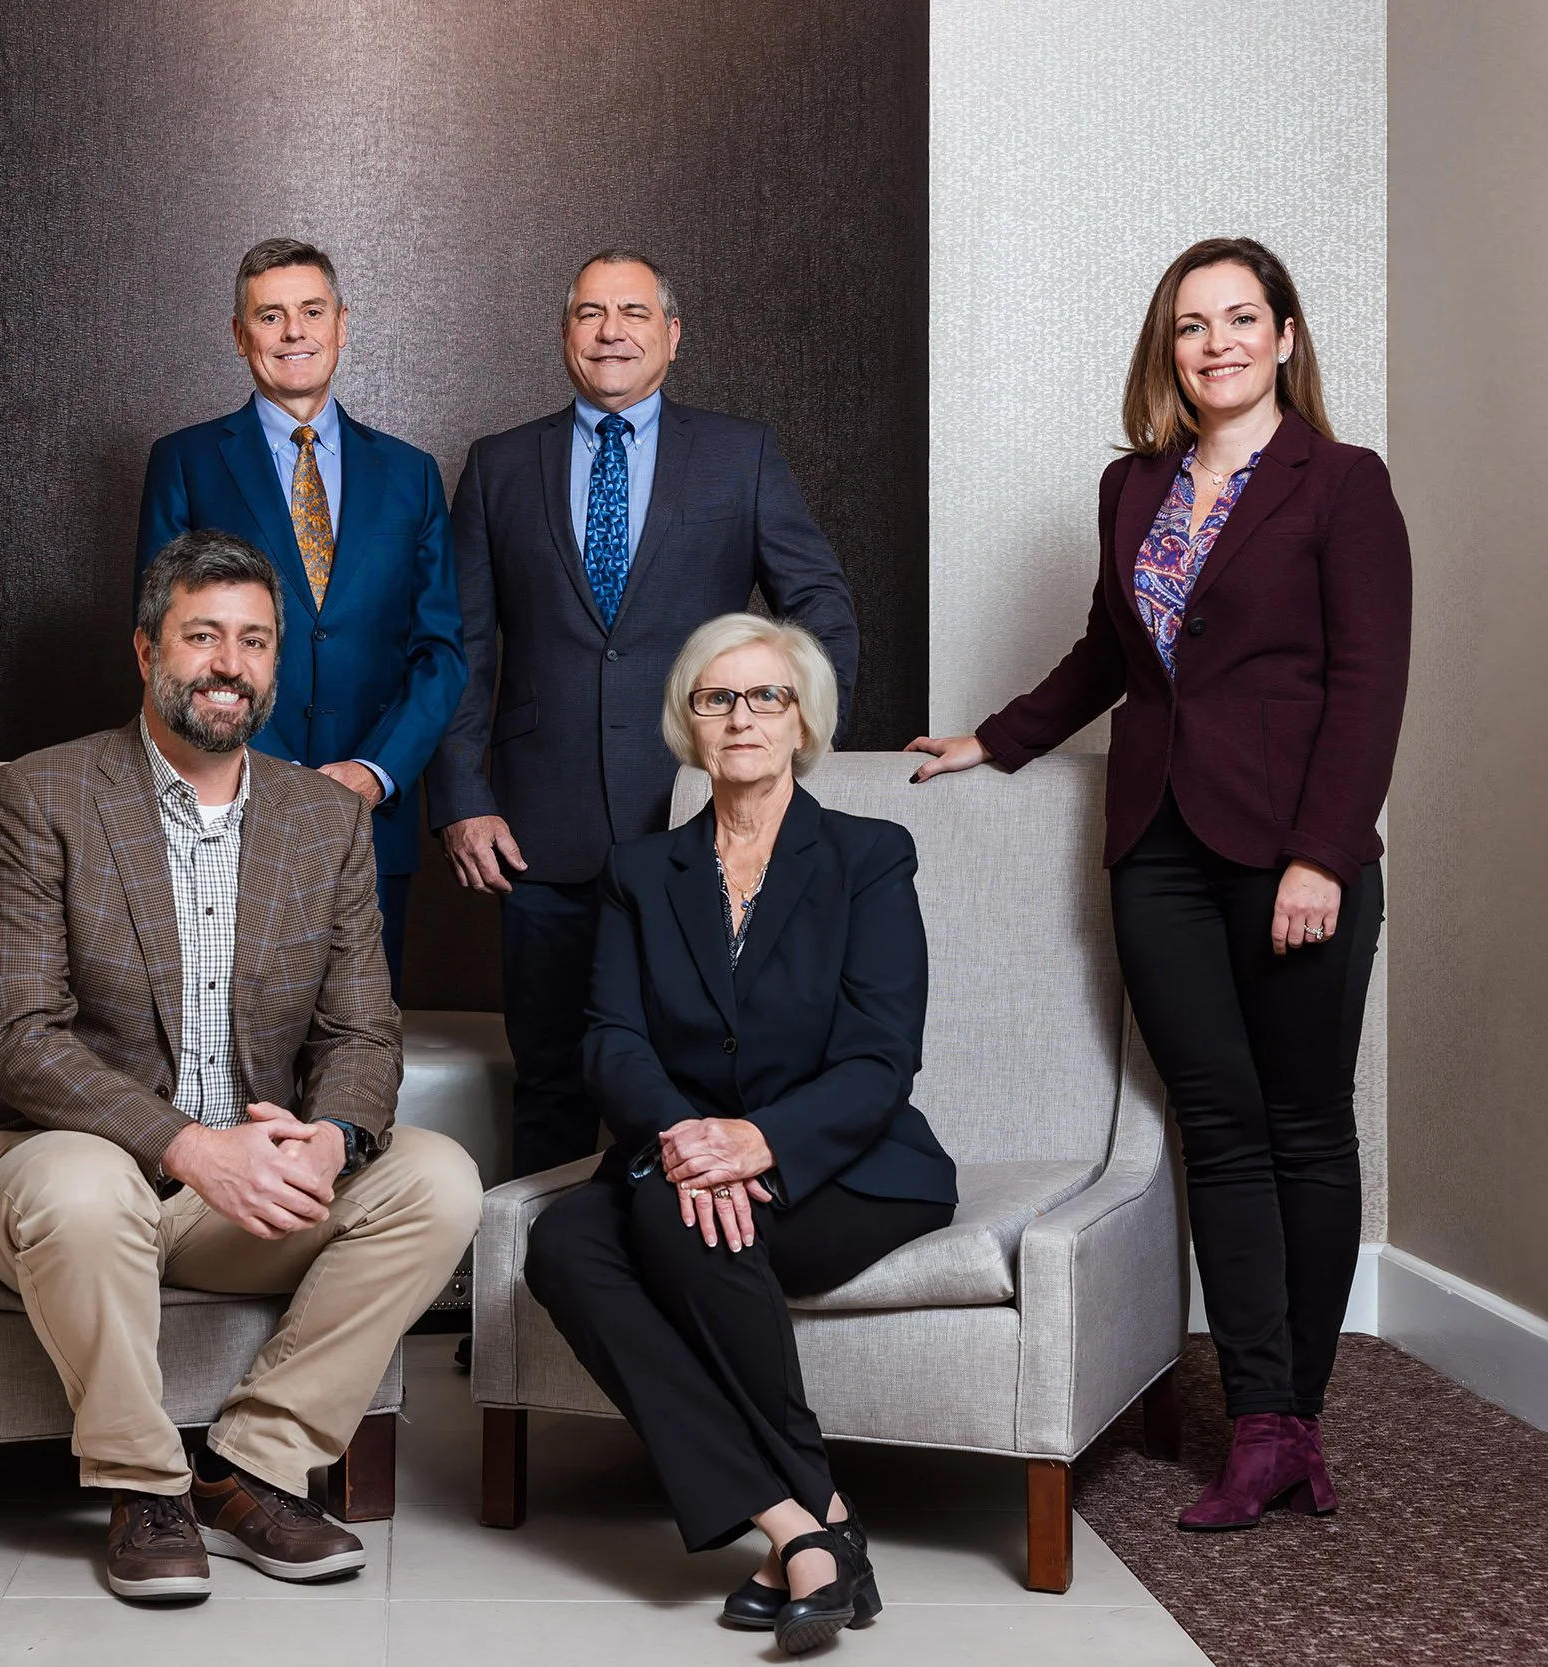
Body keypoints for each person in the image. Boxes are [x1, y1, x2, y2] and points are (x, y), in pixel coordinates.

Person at [907, 236, 1410, 1531]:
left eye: (1243, 318)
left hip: (1295, 848)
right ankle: (1259, 1425)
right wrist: (993, 736)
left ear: (1287, 338)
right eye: (1194, 324)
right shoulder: (1132, 487)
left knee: (1305, 1124)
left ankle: (1296, 1409)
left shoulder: (1343, 484)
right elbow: (1108, 653)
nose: (1218, 342)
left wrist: (1321, 850)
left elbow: (1369, 681)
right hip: (1161, 853)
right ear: (1168, 348)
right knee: (1218, 1127)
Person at [0, 531, 482, 1602]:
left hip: (238, 1198)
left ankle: (247, 1465)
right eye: (203, 634)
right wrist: (188, 1144)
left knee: (438, 1176)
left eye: (254, 640)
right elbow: (23, 1037)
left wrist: (332, 1136)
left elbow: (364, 1033)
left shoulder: (325, 819)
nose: (228, 662)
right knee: (86, 1184)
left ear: (275, 664)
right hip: (52, 1166)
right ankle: (142, 1485)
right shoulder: (45, 795)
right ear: (145, 649)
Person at [523, 614, 952, 1656]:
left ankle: (803, 1533)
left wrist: (756, 1140)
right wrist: (681, 1133)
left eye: (766, 696)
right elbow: (610, 1037)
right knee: (563, 1240)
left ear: (804, 721)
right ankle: (811, 1520)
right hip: (681, 1153)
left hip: (846, 1162)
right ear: (689, 722)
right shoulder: (640, 870)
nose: (741, 716)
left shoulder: (867, 854)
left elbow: (880, 1054)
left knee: (675, 1223)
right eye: (717, 697)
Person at [426, 248, 859, 1181]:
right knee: (548, 1081)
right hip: (537, 830)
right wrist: (461, 793)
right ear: (565, 334)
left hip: (701, 821)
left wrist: (789, 744)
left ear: (672, 335)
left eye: (632, 312)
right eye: (589, 313)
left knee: (692, 1081)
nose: (610, 330)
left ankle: (670, 1295)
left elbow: (821, 608)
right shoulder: (501, 465)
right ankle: (527, 1315)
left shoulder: (740, 453)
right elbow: (461, 647)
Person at [137, 238, 466, 994]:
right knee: (230, 1035)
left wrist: (376, 773)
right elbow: (164, 641)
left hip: (371, 819)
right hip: (229, 803)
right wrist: (267, 769)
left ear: (342, 324)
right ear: (239, 333)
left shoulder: (412, 475)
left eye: (312, 312)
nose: (294, 332)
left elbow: (441, 649)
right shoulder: (185, 462)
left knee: (361, 1042)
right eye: (271, 315)